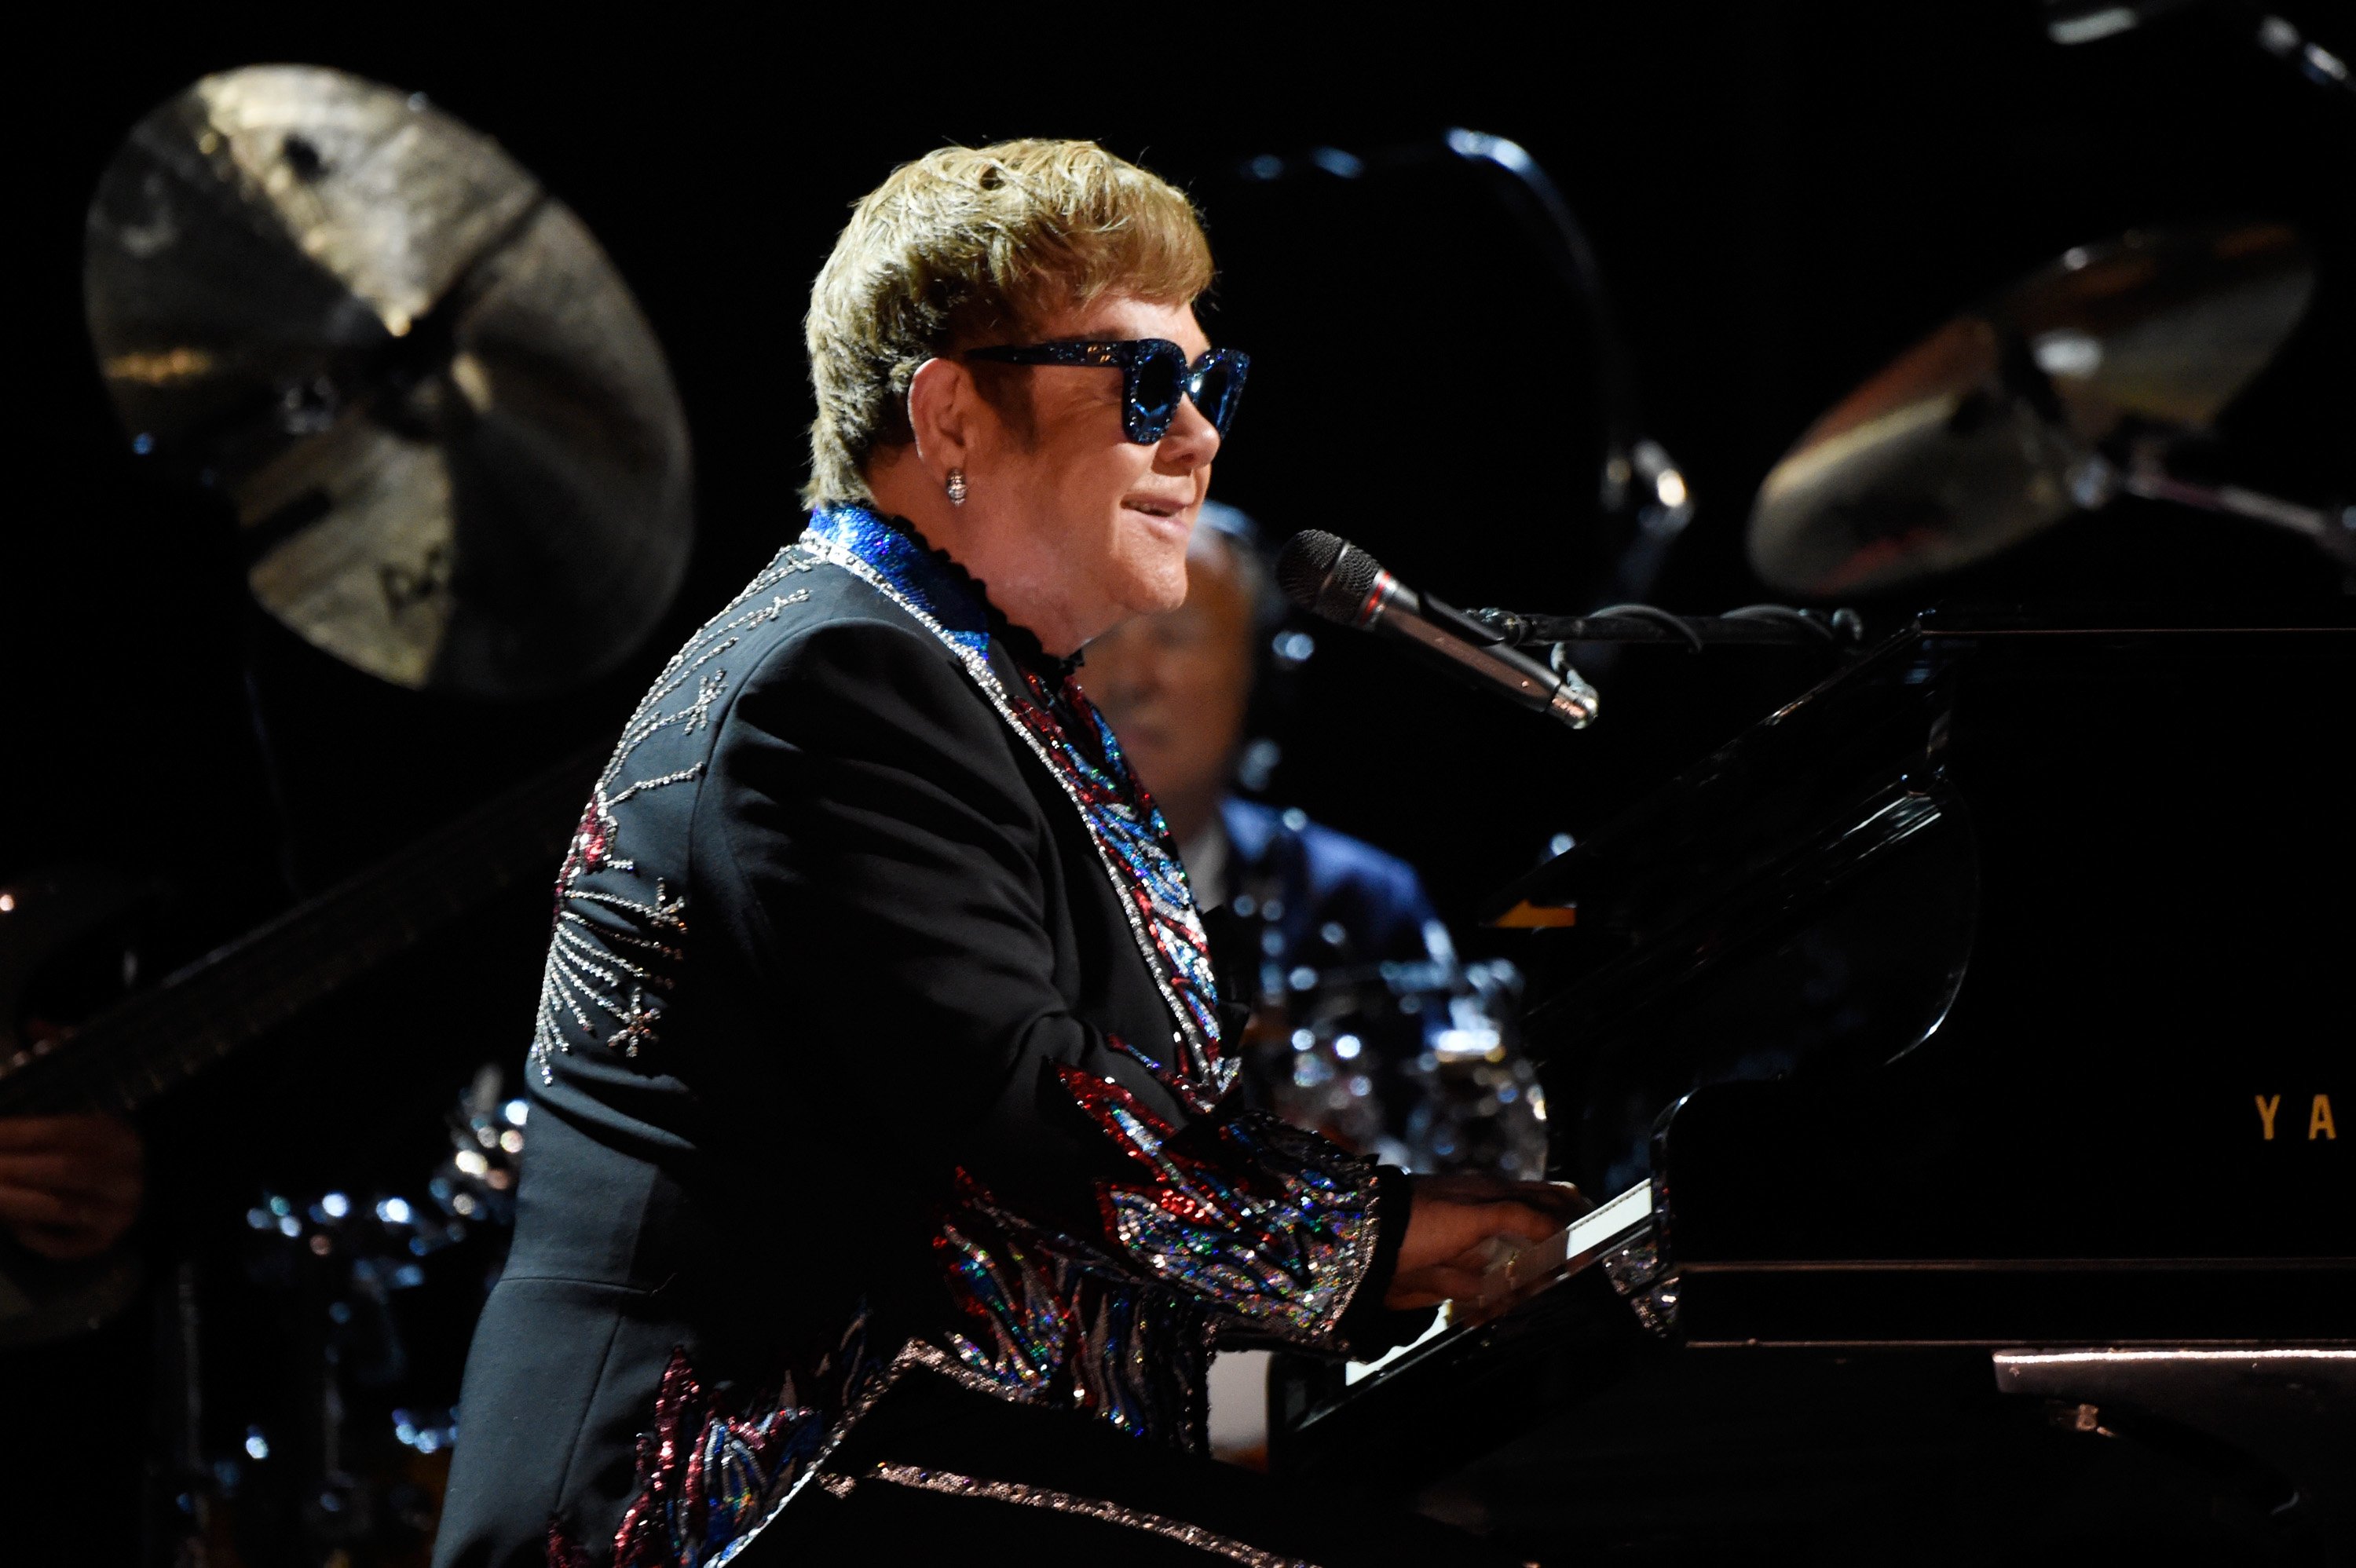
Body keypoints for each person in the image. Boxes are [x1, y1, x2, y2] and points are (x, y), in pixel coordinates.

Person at [431, 140, 1579, 1568]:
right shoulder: (834, 680)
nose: (1201, 438)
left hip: (905, 1458)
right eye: (1145, 384)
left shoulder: (979, 685)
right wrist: (1394, 1232)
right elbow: (1029, 1107)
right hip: (731, 1493)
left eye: (1211, 385)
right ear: (954, 414)